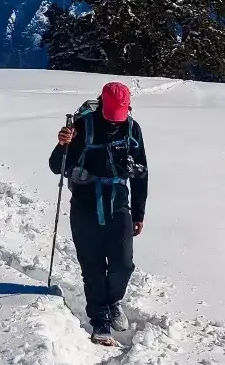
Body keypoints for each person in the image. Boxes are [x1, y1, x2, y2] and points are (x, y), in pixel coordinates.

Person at [49, 81, 148, 346]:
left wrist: (139, 213)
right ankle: (100, 322)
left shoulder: (132, 129)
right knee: (92, 267)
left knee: (122, 265)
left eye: (119, 114)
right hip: (85, 205)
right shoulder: (82, 126)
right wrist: (63, 145)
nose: (115, 120)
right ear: (101, 104)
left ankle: (113, 302)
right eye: (111, 114)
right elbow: (56, 166)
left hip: (118, 204)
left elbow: (141, 172)